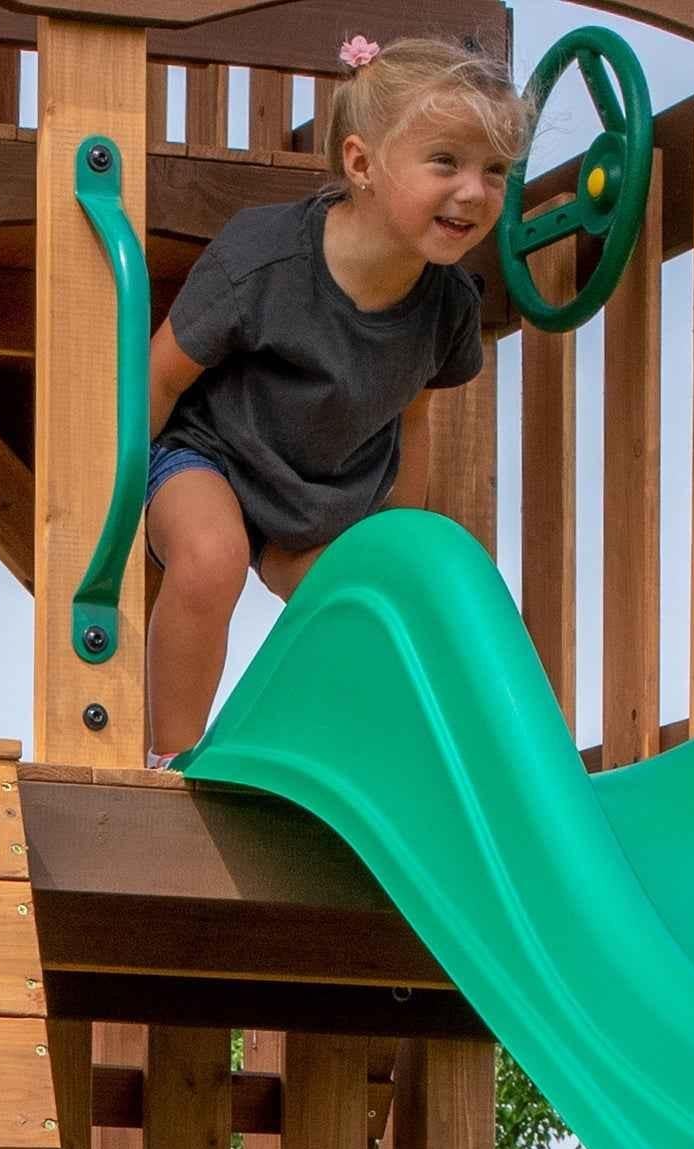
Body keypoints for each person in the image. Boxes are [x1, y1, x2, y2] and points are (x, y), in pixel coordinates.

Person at [142, 34, 532, 763]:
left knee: (373, 604)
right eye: (445, 161)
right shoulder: (264, 257)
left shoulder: (447, 303)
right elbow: (160, 376)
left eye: (495, 170)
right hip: (208, 458)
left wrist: (397, 541)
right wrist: (110, 500)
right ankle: (172, 759)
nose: (474, 190)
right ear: (361, 164)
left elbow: (410, 417)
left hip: (317, 503)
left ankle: (345, 767)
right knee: (211, 554)